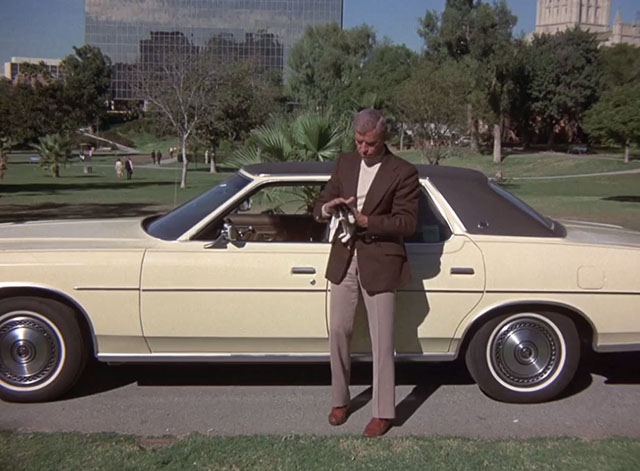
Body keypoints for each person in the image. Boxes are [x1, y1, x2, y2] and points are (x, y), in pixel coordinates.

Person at [313, 109, 420, 438]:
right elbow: (320, 203)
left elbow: (407, 223)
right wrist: (327, 208)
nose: (363, 148)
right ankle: (339, 400)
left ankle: (383, 412)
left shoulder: (403, 171)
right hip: (344, 258)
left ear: (383, 138)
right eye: (359, 142)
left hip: (382, 261)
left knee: (382, 340)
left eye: (370, 143)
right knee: (339, 333)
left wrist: (367, 222)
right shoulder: (344, 162)